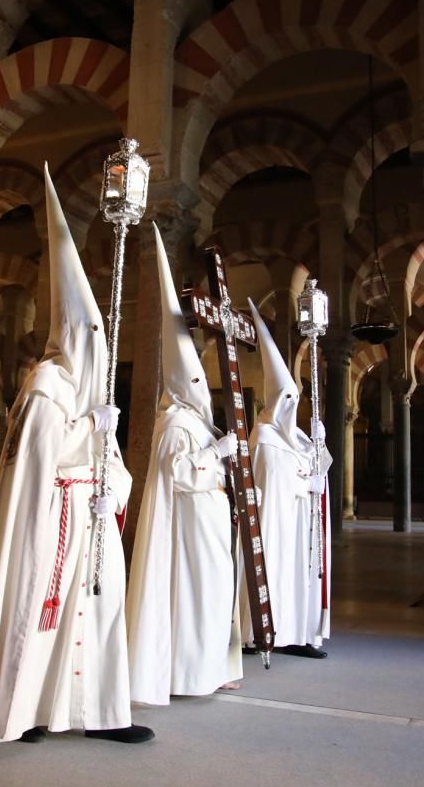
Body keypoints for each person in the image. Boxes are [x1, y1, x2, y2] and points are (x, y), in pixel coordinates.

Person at [0, 164, 149, 752]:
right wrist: (86, 431)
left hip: (88, 516)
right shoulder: (47, 385)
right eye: (93, 341)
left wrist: (112, 490)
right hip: (47, 523)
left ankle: (99, 710)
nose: (98, 354)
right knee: (39, 609)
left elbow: (108, 460)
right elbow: (39, 461)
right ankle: (20, 709)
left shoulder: (83, 393)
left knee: (95, 608)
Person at [127, 224, 243, 705]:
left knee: (213, 600)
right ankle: (191, 672)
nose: (202, 386)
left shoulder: (193, 420)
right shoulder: (174, 421)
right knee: (195, 601)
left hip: (208, 524)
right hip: (189, 531)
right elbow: (177, 474)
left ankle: (211, 666)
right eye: (195, 378)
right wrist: (216, 453)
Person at [245, 297, 332, 658]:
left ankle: (298, 632)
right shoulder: (264, 436)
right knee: (278, 576)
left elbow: (319, 468)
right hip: (276, 528)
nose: (292, 405)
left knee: (300, 579)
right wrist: (304, 484)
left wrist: (319, 447)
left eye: (295, 397)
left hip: (300, 528)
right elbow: (273, 486)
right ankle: (262, 633)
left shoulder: (297, 436)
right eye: (287, 398)